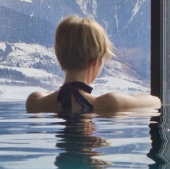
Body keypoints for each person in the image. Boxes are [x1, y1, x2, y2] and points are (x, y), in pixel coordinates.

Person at [26, 15, 161, 113]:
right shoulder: (109, 103)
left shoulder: (35, 102)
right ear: (96, 61)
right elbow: (156, 101)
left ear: (58, 56)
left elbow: (56, 94)